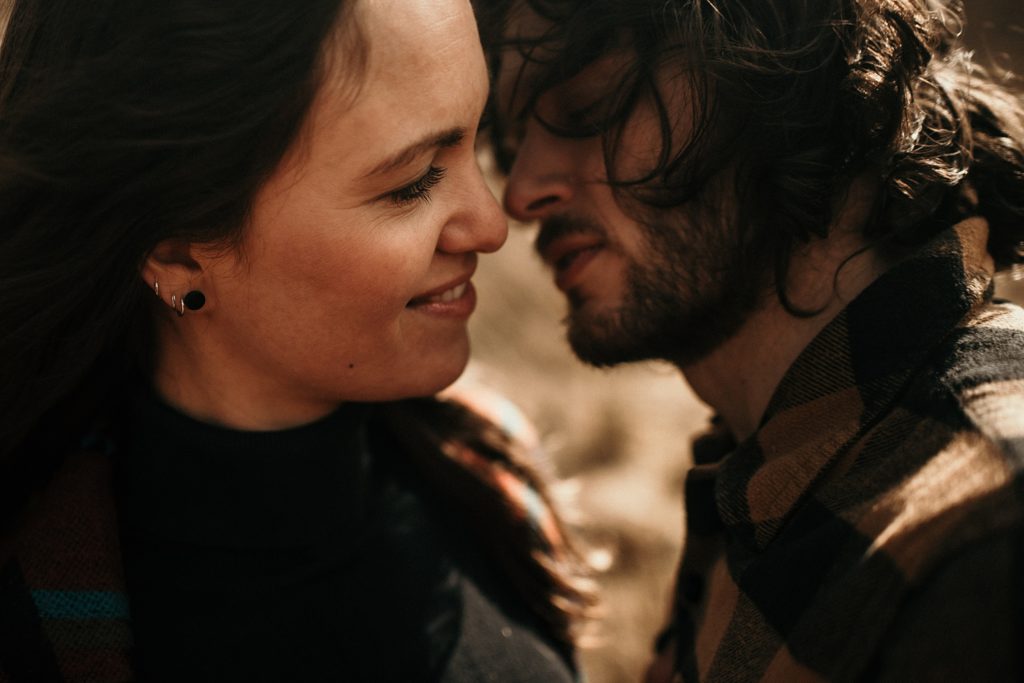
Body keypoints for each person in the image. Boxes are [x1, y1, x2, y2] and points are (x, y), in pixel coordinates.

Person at [0, 0, 594, 681]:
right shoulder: (41, 631)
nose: (492, 222)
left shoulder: (490, 468)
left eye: (474, 138)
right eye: (413, 181)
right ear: (178, 254)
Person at [477, 0, 1024, 680]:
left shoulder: (985, 527)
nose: (519, 194)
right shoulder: (765, 475)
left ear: (789, 73)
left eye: (585, 108)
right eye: (512, 139)